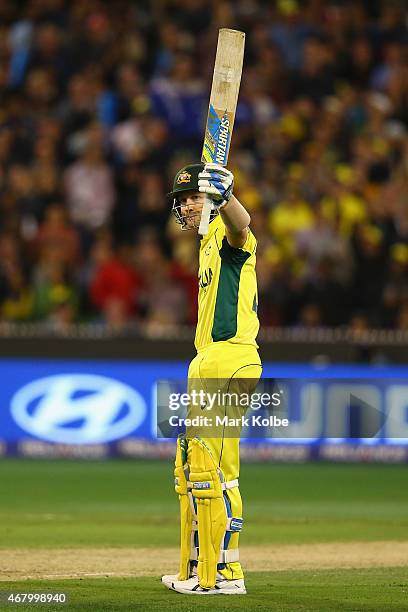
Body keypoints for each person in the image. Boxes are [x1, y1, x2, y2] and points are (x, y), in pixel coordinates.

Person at [161, 163, 262, 595]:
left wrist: (226, 198)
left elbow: (243, 227)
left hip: (230, 357)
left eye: (191, 196)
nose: (184, 205)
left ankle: (224, 575)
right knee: (197, 468)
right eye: (181, 199)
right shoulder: (204, 246)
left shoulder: (224, 231)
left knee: (217, 471)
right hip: (208, 360)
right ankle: (200, 567)